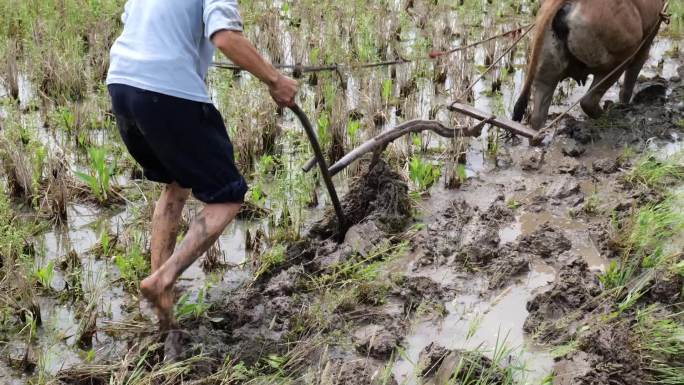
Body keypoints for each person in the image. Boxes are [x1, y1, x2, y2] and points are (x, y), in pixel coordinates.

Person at [106, 0, 298, 331]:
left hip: (122, 85)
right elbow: (225, 37)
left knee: (176, 184)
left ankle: (162, 310)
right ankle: (164, 279)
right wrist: (275, 79)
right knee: (227, 195)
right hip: (165, 90)